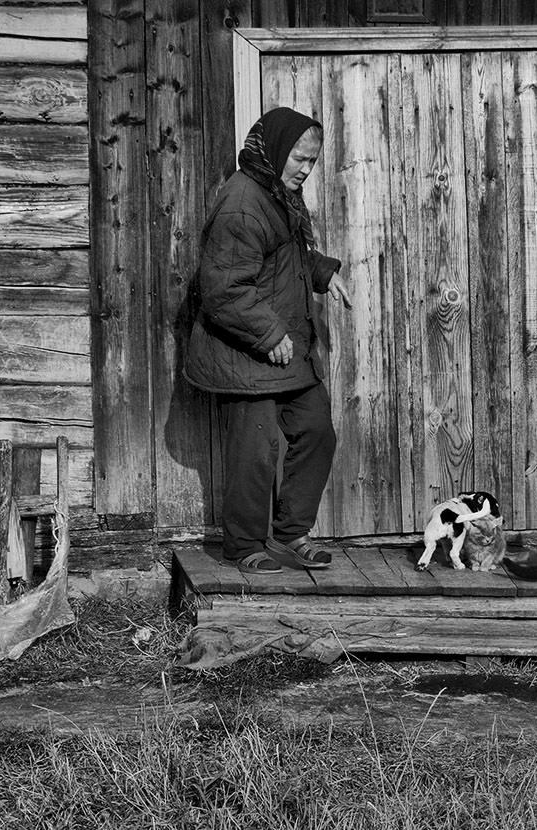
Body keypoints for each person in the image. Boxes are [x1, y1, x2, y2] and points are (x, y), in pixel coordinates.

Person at [185, 107, 351, 574]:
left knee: (316, 431)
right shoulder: (243, 202)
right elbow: (224, 288)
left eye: (312, 161)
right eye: (299, 158)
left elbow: (280, 258)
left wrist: (321, 272)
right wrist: (268, 332)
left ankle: (292, 531)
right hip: (245, 349)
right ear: (276, 151)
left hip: (283, 347)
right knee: (254, 452)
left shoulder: (277, 193)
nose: (305, 169)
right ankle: (243, 545)